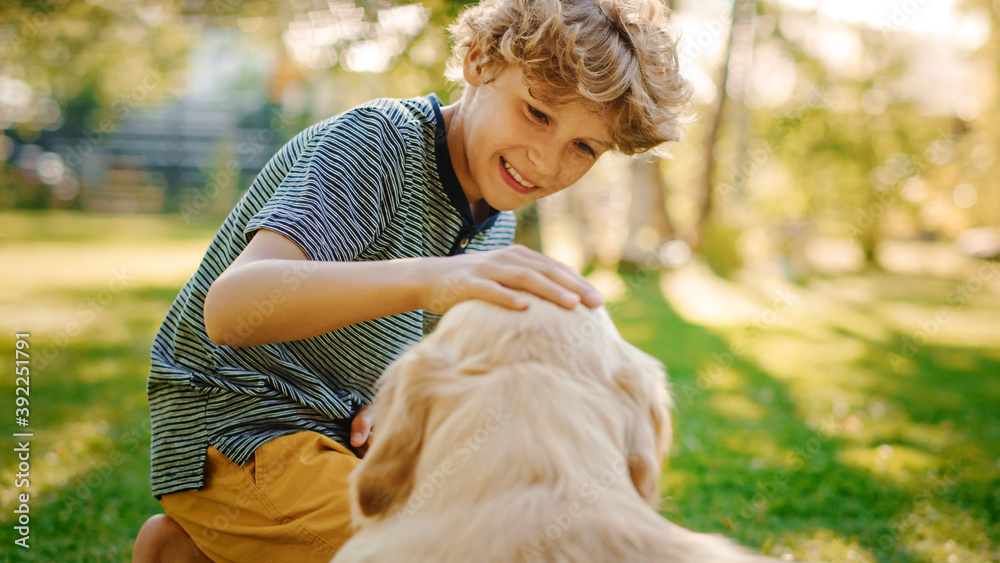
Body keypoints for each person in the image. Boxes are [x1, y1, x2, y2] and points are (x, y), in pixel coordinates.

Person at [132, 0, 691, 561]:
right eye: (537, 113)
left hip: (345, 437)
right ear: (477, 62)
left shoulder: (495, 217)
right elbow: (231, 308)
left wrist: (391, 405)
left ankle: (185, 554)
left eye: (583, 147)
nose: (545, 162)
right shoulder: (377, 146)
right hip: (240, 426)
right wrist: (435, 278)